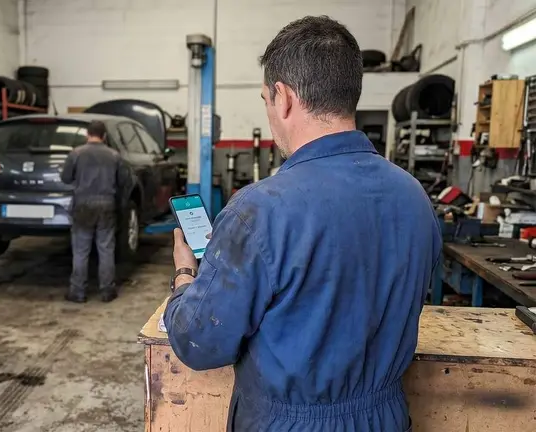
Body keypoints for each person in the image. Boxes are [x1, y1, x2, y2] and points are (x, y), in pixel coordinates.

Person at [164, 16, 441, 432]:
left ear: (284, 97)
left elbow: (199, 342)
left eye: (265, 99)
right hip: (385, 418)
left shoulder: (260, 209)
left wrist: (186, 275)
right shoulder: (414, 197)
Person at [61, 120, 124, 303]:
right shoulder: (114, 155)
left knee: (81, 250)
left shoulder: (76, 153)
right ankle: (107, 291)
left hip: (82, 205)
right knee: (106, 249)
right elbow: (122, 181)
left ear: (87, 134)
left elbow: (65, 178)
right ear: (104, 136)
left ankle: (78, 292)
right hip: (107, 205)